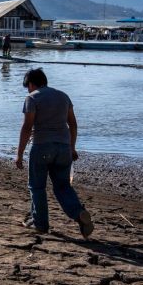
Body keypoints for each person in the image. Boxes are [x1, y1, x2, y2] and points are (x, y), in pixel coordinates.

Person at [15, 68, 94, 238]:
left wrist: (19, 154)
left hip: (42, 146)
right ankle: (78, 213)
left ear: (30, 83)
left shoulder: (32, 98)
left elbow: (27, 127)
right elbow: (73, 124)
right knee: (63, 186)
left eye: (27, 86)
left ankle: (41, 223)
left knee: (37, 187)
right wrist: (72, 147)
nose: (28, 90)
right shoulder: (63, 96)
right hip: (63, 147)